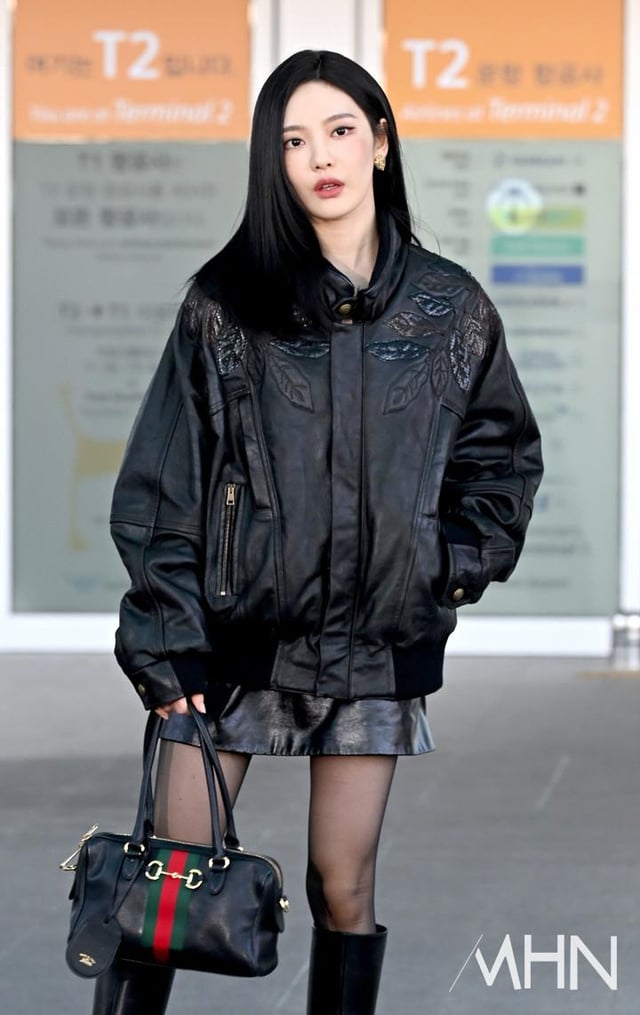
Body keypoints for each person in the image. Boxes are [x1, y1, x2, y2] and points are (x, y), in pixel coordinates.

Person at [99, 49, 543, 1015]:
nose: (320, 157)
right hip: (232, 642)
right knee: (167, 887)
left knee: (346, 890)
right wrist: (168, 648)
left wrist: (438, 566)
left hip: (374, 649)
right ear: (275, 162)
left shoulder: (451, 309)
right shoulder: (225, 305)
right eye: (294, 141)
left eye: (340, 131)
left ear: (380, 142)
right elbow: (162, 489)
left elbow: (502, 464)